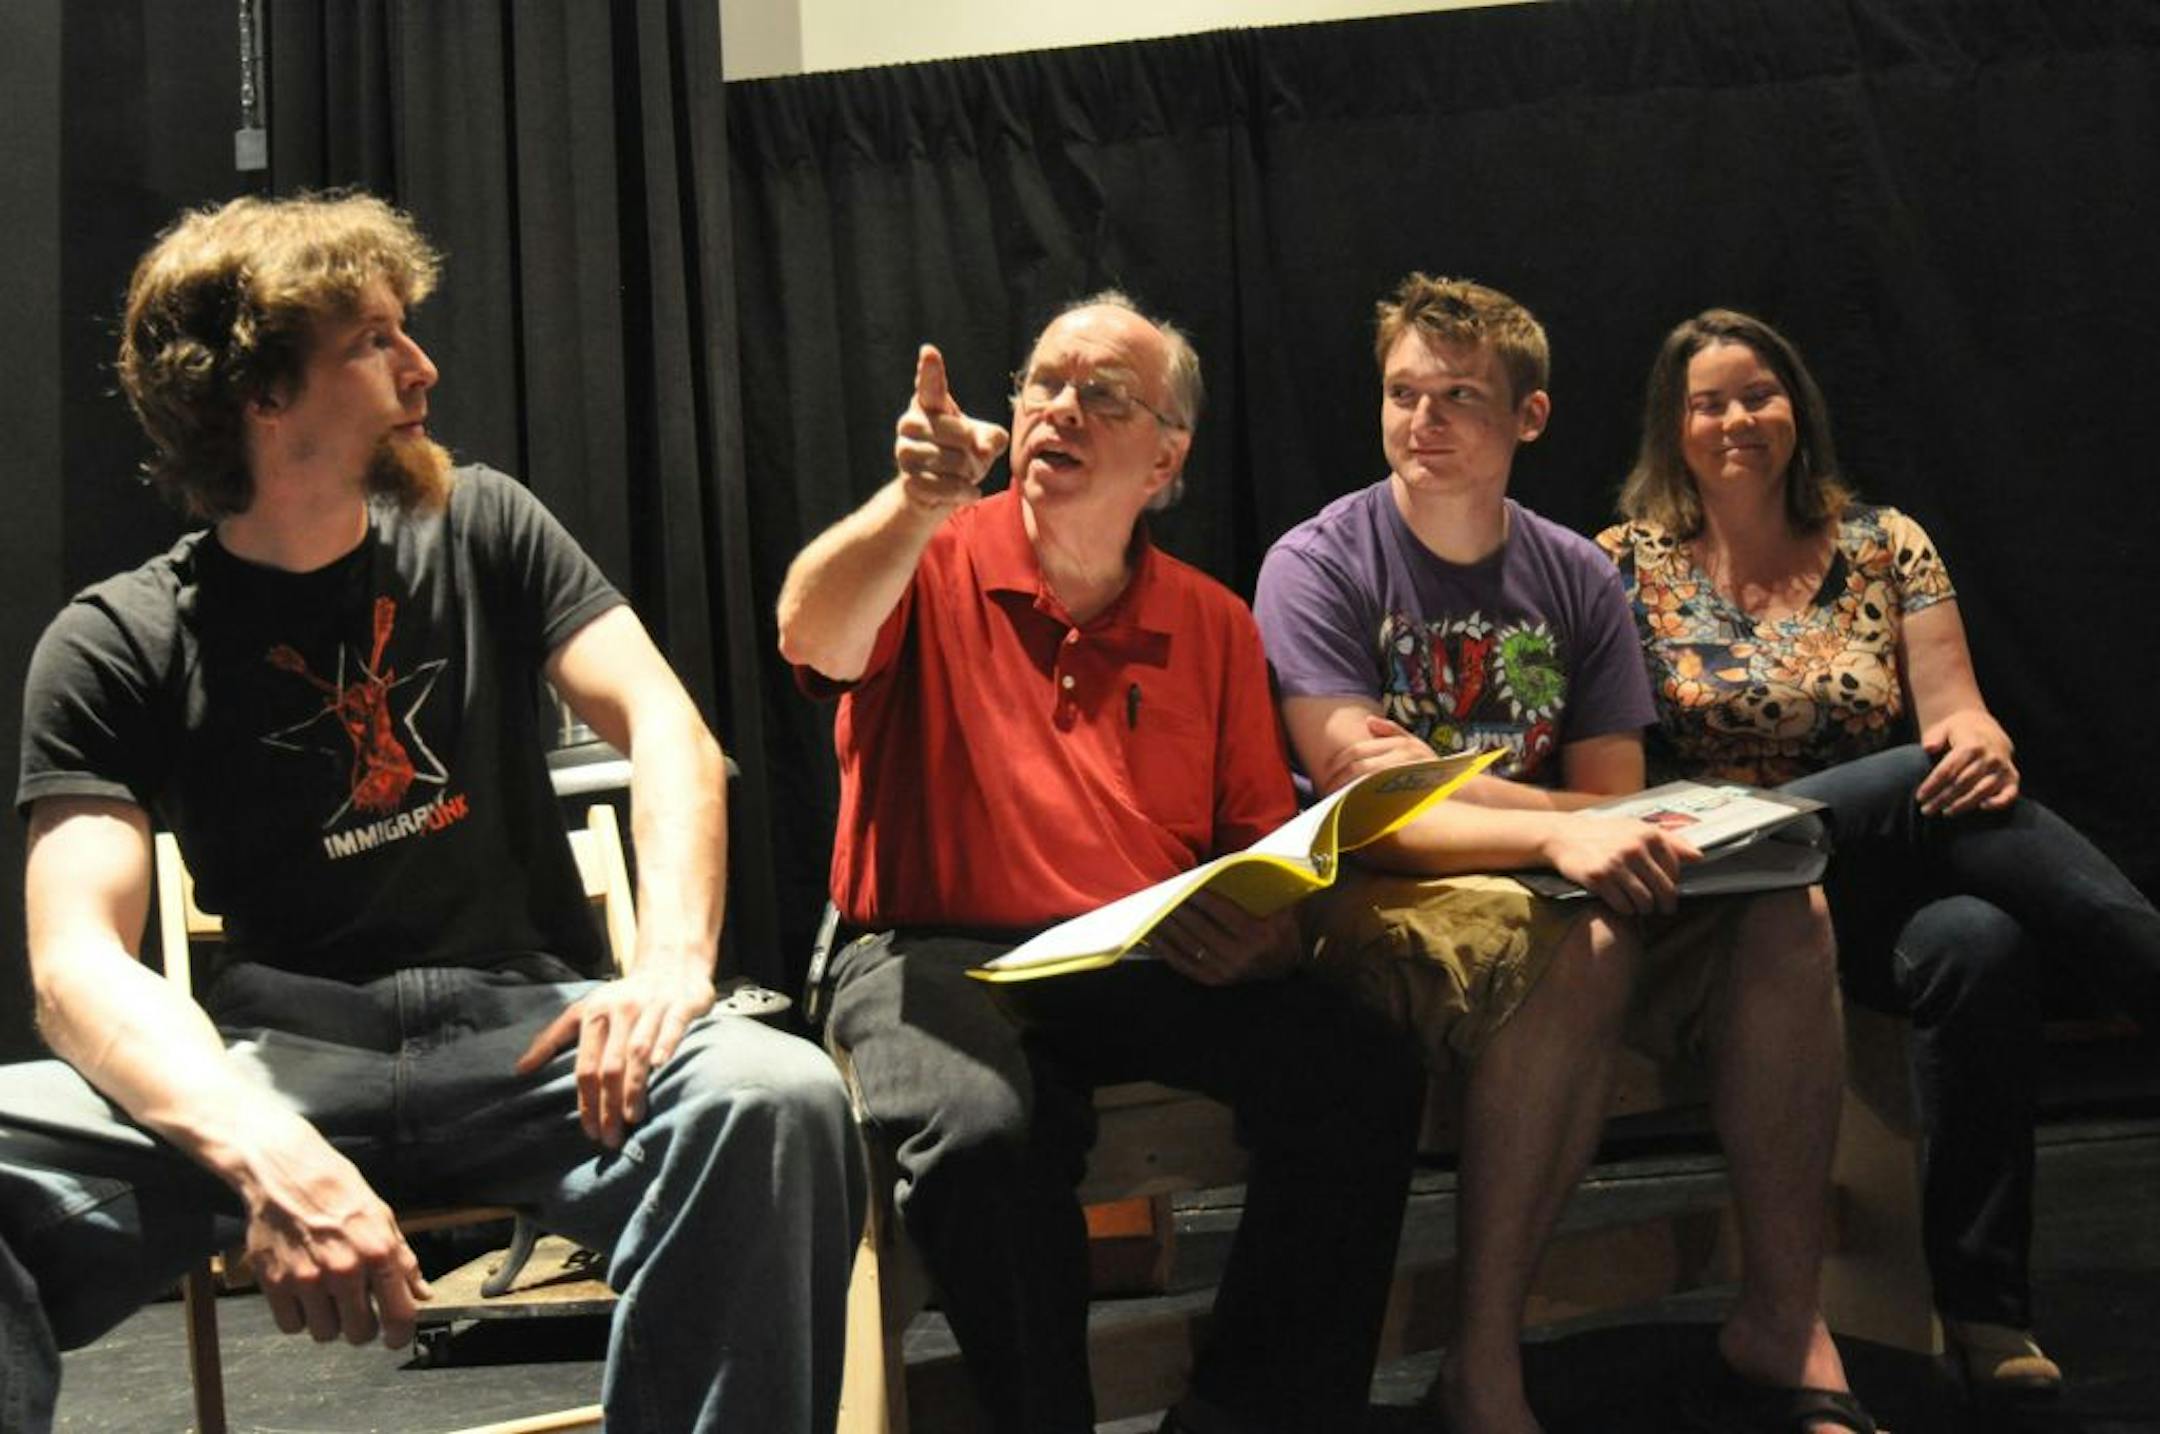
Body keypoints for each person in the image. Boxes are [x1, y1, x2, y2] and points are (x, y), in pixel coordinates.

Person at [0, 192, 864, 1434]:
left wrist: (672, 966)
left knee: (773, 1100)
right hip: (280, 1058)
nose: (423, 367)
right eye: (372, 341)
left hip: (529, 1037)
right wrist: (266, 1154)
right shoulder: (116, 637)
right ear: (261, 393)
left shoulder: (487, 524)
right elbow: (74, 962)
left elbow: (670, 733)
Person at [776, 292, 1425, 1434]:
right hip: (937, 949)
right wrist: (917, 500)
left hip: (1135, 948)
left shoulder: (1215, 622)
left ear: (1167, 454)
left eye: (1102, 395)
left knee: (1360, 1068)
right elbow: (810, 633)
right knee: (987, 1137)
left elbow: (1254, 849)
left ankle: (1249, 1415)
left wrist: (1264, 937)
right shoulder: (925, 556)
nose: (1058, 409)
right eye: (1043, 384)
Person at [1253, 275, 1876, 1434]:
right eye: (1401, 393)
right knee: (1580, 943)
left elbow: (1612, 798)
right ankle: (1484, 1366)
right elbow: (1368, 807)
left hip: (1543, 873)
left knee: (1794, 912)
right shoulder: (1320, 562)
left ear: (1528, 418)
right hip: (1384, 892)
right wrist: (1533, 821)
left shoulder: (1576, 576)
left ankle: (1782, 1318)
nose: (1421, 420)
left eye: (1458, 396)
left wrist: (1484, 796)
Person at [1597, 307, 2160, 1402]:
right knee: (1910, 782)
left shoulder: (1884, 544)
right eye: (1707, 402)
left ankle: (1987, 1310)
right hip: (1721, 880)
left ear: (1795, 408)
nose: (1736, 419)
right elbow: (1610, 766)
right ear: (1675, 428)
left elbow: (1958, 717)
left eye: (1756, 393)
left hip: (1858, 881)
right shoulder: (1620, 565)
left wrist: (1986, 747)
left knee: (1980, 940)